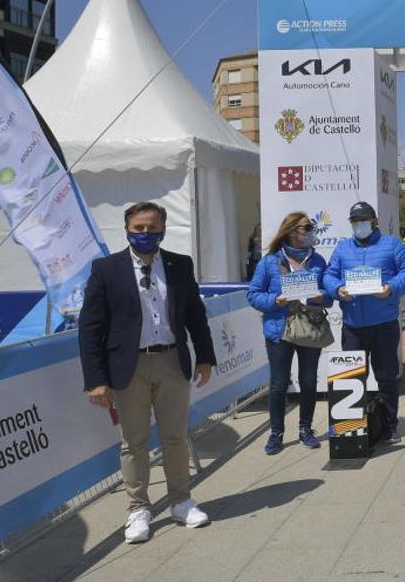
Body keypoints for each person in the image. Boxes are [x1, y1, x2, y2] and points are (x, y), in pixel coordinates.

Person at [78, 202, 215, 543]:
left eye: (152, 228)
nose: (146, 234)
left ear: (163, 229)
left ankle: (181, 500)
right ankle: (138, 509)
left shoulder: (179, 265)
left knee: (175, 436)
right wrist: (96, 379)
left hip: (171, 361)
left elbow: (195, 314)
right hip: (128, 367)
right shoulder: (106, 269)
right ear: (127, 229)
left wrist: (206, 357)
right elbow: (90, 328)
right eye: (139, 228)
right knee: (134, 442)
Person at [323, 201, 405, 442]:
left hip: (384, 323)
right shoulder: (343, 248)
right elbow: (329, 275)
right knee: (353, 377)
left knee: (386, 376)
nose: (359, 225)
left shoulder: (391, 244)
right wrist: (337, 289)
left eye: (363, 220)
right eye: (355, 221)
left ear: (374, 221)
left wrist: (391, 288)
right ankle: (352, 427)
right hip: (353, 324)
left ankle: (389, 425)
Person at [247, 212, 331, 455]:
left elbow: (328, 293)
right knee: (279, 384)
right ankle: (276, 433)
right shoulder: (270, 262)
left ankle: (306, 429)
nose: (311, 231)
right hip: (279, 329)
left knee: (308, 381)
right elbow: (253, 294)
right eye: (307, 227)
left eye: (312, 227)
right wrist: (277, 300)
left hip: (309, 328)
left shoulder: (317, 261)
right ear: (293, 230)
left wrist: (321, 296)